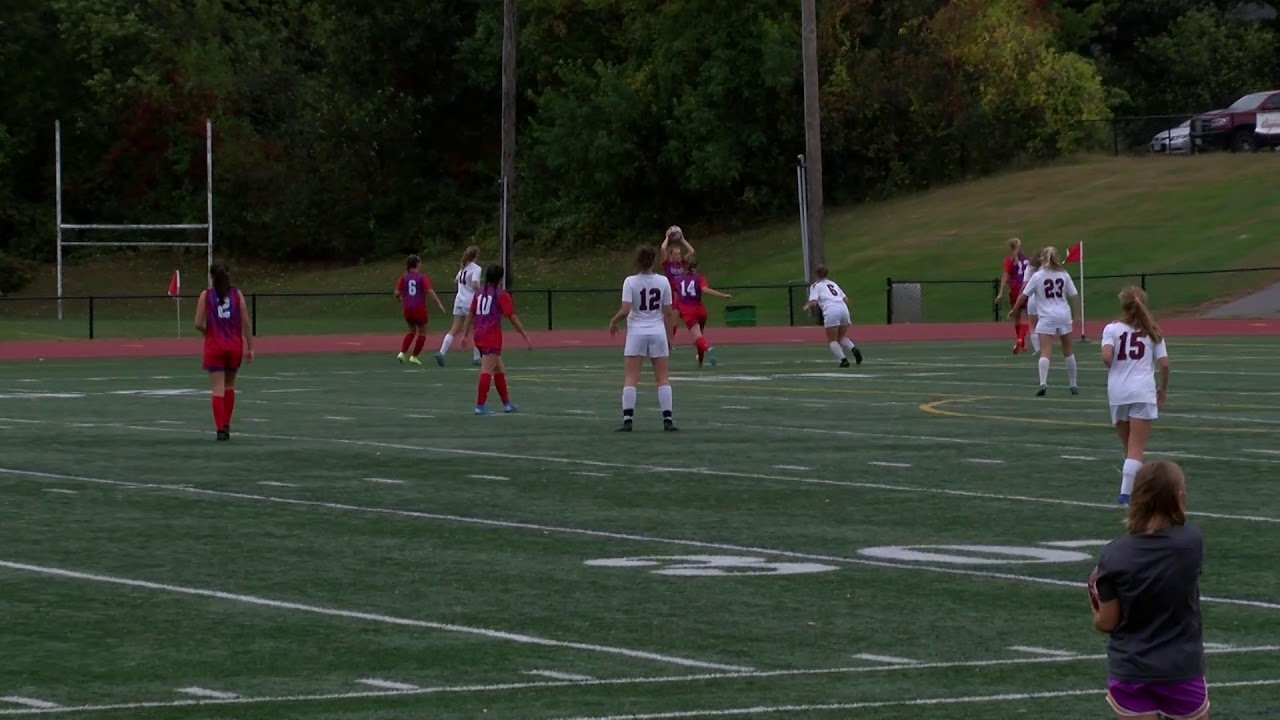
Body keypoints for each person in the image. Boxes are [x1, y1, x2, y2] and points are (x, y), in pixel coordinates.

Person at [1090, 460, 1207, 720]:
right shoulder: (1191, 542)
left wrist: (1094, 606)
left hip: (1130, 668)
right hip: (1180, 667)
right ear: (1178, 496)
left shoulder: (1113, 553)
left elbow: (1107, 622)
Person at [1102, 287, 1170, 506]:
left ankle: (1131, 489)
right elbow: (1165, 365)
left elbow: (1106, 357)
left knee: (1129, 449)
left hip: (1118, 392)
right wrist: (1163, 389)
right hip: (1142, 391)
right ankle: (1126, 495)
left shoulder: (1111, 328)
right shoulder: (1153, 331)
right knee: (1135, 449)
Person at [609, 245, 678, 432]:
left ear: (637, 262)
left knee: (631, 378)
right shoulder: (663, 282)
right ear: (653, 260)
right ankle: (667, 420)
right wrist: (670, 337)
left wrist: (613, 321)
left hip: (637, 333)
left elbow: (625, 310)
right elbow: (668, 313)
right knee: (663, 378)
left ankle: (628, 420)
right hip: (657, 332)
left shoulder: (630, 282)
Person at [194, 260, 254, 441]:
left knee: (217, 389)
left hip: (215, 346)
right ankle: (227, 424)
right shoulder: (237, 295)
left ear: (212, 276)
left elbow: (197, 323)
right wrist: (250, 347)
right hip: (234, 345)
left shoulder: (206, 295)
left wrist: (208, 332)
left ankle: (220, 429)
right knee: (229, 386)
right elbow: (245, 322)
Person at [1008, 246, 1079, 396]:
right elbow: (1074, 296)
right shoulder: (1064, 274)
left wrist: (1014, 310)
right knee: (1068, 351)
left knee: (1045, 352)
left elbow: (1023, 295)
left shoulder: (1038, 276)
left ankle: (1043, 383)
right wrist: (1077, 315)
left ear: (1042, 258)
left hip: (1047, 317)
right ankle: (1073, 384)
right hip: (1064, 315)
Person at [462, 265, 532, 415]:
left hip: (479, 335)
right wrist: (524, 335)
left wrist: (465, 334)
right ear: (500, 278)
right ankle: (480, 405)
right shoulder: (501, 295)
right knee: (486, 371)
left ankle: (507, 403)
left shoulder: (479, 293)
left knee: (499, 369)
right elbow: (512, 317)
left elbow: (471, 314)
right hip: (491, 337)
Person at [674, 256, 732, 368]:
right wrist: (723, 295)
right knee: (700, 336)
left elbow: (676, 299)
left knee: (698, 338)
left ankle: (708, 348)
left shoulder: (678, 280)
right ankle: (700, 361)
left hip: (688, 311)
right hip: (700, 310)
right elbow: (705, 289)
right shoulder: (699, 278)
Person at [803, 266, 862, 368]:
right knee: (841, 337)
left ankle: (844, 360)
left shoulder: (816, 286)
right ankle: (853, 349)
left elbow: (813, 302)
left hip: (831, 310)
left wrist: (807, 306)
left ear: (816, 274)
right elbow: (846, 299)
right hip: (843, 309)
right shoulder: (833, 284)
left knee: (832, 340)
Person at [436, 245, 483, 367]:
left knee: (454, 328)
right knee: (477, 328)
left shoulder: (463, 268)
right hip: (470, 301)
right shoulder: (476, 268)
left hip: (459, 301)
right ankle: (476, 357)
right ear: (476, 256)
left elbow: (455, 281)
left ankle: (441, 352)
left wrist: (462, 290)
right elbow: (475, 285)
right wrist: (484, 290)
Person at [394, 254, 446, 365]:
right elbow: (430, 290)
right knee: (422, 332)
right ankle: (414, 356)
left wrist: (401, 299)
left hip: (408, 309)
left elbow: (397, 293)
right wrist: (439, 303)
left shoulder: (403, 277)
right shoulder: (422, 277)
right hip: (419, 308)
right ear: (417, 264)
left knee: (411, 331)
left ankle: (402, 353)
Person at [996, 238, 1032, 354]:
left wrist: (1000, 292)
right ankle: (1021, 340)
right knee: (1024, 316)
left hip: (1015, 289)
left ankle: (1020, 341)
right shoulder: (1027, 259)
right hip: (1025, 289)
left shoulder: (1009, 260)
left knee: (1016, 317)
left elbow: (1005, 276)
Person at [660, 226, 694, 341]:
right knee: (671, 321)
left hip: (680, 295)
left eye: (679, 253)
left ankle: (668, 341)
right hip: (670, 295)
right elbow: (663, 249)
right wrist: (667, 238)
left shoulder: (681, 264)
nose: (678, 255)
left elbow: (691, 251)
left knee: (676, 322)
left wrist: (682, 239)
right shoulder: (667, 264)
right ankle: (667, 341)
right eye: (676, 253)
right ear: (671, 255)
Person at [1022, 249, 1044, 354]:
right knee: (1043, 322)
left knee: (1032, 324)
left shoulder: (1029, 269)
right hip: (1044, 298)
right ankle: (1044, 344)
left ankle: (1037, 348)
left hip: (1032, 298)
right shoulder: (1045, 268)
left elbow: (1025, 284)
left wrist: (1021, 296)